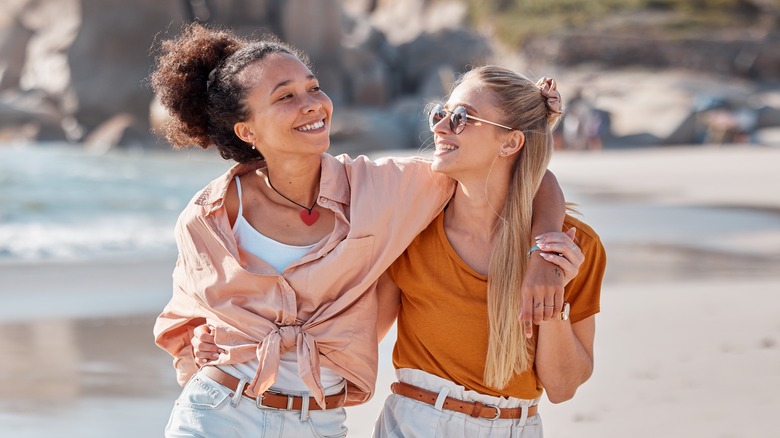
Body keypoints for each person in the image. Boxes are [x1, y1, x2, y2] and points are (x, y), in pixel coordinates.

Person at [151, 23, 568, 437]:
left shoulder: (383, 188)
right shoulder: (209, 217)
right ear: (247, 131)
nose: (312, 104)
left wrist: (543, 254)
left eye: (313, 88)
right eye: (286, 97)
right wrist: (195, 343)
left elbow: (522, 173)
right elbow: (183, 319)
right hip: (220, 411)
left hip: (318, 421)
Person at [369, 67, 606, 437]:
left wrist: (553, 303)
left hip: (517, 427)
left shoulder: (572, 247)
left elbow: (562, 388)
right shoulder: (412, 228)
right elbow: (363, 336)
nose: (440, 127)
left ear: (510, 143)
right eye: (440, 113)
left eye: (462, 117)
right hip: (416, 423)